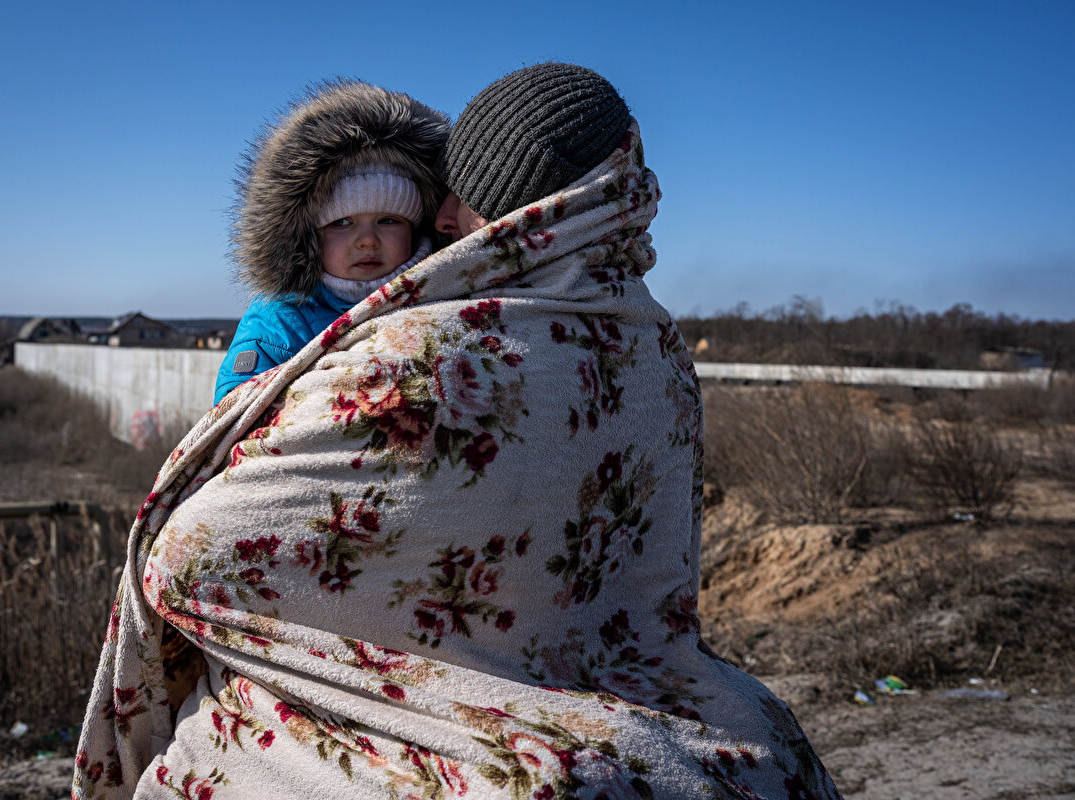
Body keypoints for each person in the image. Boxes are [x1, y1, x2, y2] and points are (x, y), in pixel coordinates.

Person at [74, 65, 840, 799]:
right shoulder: (660, 347)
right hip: (643, 672)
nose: (441, 219)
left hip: (461, 700)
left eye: (466, 195)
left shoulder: (435, 354)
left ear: (531, 212)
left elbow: (190, 563)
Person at [213, 80, 449, 405]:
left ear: (417, 227)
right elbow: (236, 414)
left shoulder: (444, 296)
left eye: (388, 220)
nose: (367, 240)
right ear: (310, 237)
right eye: (341, 223)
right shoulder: (280, 323)